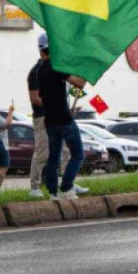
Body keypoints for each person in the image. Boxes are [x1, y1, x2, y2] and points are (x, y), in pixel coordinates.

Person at [35, 37, 90, 201]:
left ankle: (53, 192)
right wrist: (87, 72)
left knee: (53, 157)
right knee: (78, 154)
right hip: (64, 120)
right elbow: (78, 83)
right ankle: (66, 187)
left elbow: (49, 95)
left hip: (50, 121)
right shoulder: (57, 66)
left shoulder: (39, 70)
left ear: (40, 50)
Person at [27, 35, 72, 198]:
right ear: (41, 52)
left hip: (58, 115)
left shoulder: (57, 69)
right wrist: (53, 104)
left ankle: (68, 184)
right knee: (43, 153)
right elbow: (35, 98)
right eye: (47, 51)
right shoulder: (35, 72)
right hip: (42, 117)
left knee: (67, 150)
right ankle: (34, 187)